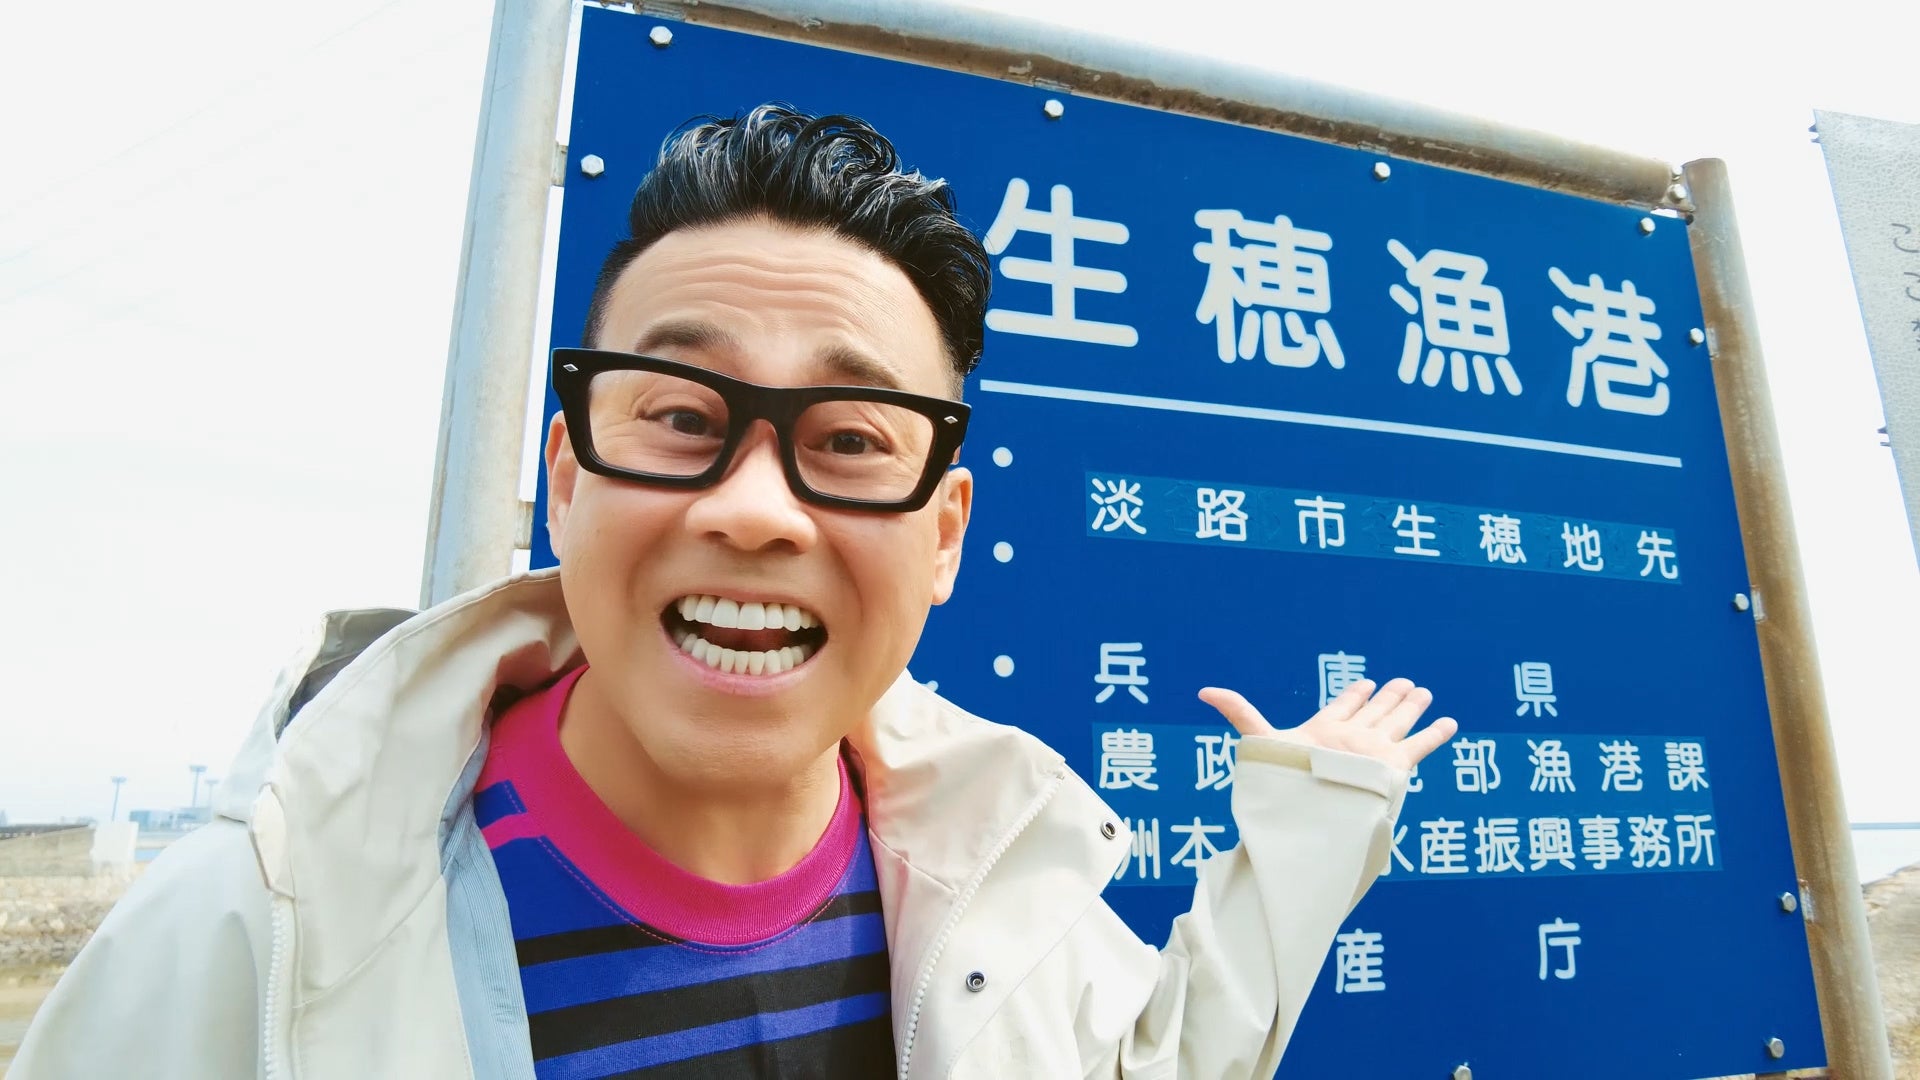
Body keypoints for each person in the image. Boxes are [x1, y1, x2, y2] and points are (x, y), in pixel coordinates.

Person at [14, 104, 1456, 1079]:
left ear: (946, 538)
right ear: (566, 479)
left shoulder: (1001, 896)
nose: (755, 511)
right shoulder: (250, 942)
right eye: (679, 416)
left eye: (850, 442)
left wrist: (1311, 827)